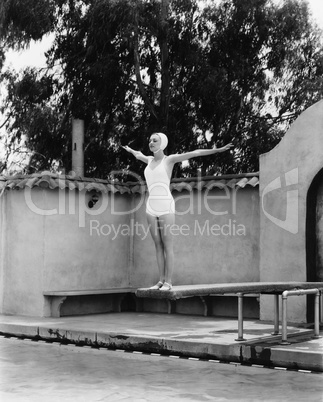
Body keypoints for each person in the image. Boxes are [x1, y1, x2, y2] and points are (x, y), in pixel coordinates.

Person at [122, 133, 233, 291]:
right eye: (150, 140)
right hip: (150, 206)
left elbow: (195, 153)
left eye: (155, 140)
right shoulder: (148, 160)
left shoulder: (169, 160)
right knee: (157, 245)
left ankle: (168, 282)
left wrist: (218, 150)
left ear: (163, 143)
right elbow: (138, 154)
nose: (151, 142)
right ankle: (160, 281)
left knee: (168, 245)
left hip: (166, 205)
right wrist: (130, 150)